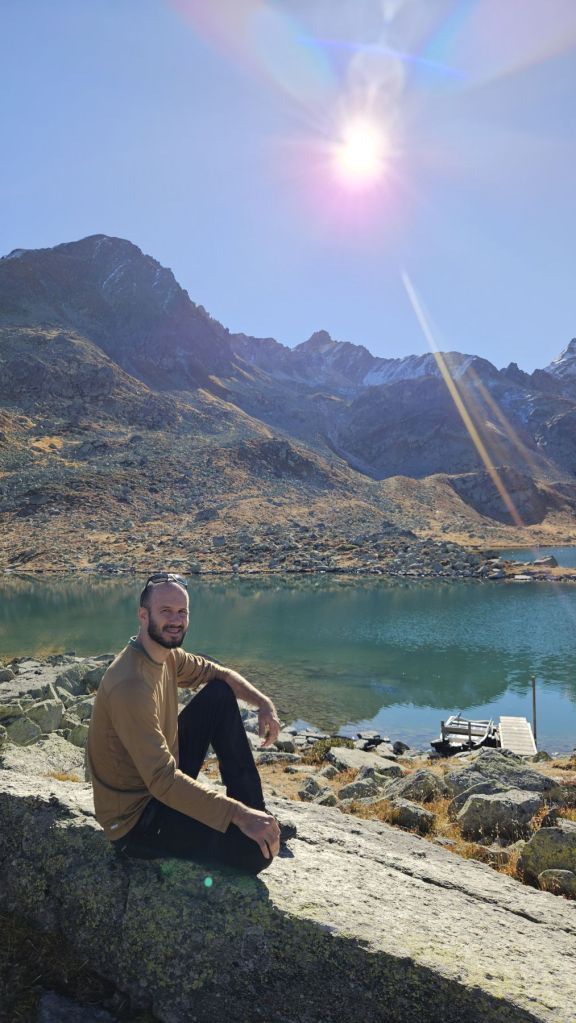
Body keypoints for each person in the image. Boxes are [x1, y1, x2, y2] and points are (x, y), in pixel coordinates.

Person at [87, 572, 282, 874]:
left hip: (160, 784)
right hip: (138, 820)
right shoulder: (130, 684)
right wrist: (237, 815)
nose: (176, 620)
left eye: (182, 612)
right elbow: (163, 780)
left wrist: (263, 703)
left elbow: (219, 674)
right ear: (143, 615)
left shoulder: (167, 657)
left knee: (219, 694)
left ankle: (258, 813)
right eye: (166, 611)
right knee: (256, 854)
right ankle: (252, 822)